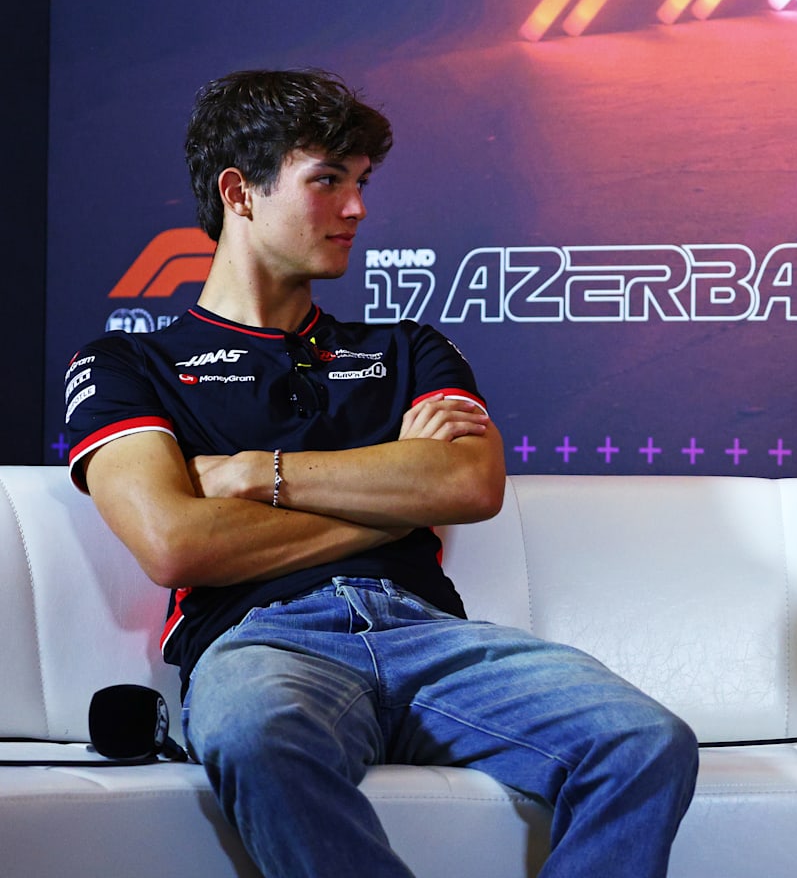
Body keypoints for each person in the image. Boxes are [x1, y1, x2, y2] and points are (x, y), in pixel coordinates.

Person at [63, 68, 698, 878]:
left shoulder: (407, 347)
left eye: (361, 182)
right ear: (240, 192)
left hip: (431, 636)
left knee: (643, 741)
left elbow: (470, 488)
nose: (357, 208)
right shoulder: (129, 361)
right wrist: (397, 500)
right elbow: (175, 543)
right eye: (327, 180)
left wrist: (258, 473)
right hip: (262, 644)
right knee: (254, 737)